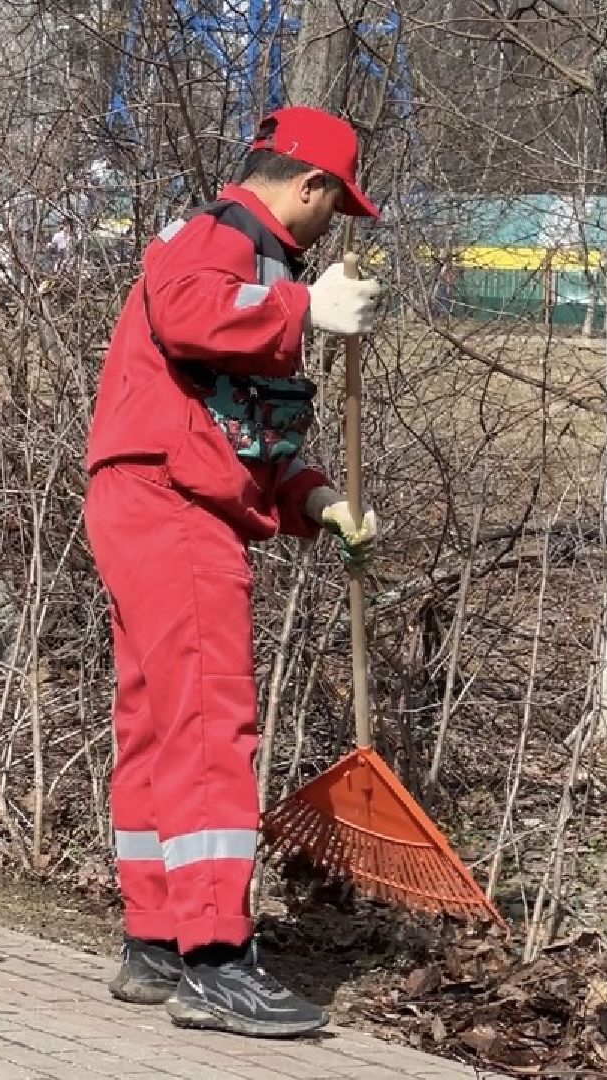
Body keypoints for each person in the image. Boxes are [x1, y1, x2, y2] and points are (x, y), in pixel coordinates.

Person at [82, 105, 385, 1039]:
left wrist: (319, 498)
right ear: (310, 187)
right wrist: (304, 309)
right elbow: (185, 316)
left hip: (160, 498)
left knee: (158, 724)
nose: (334, 225)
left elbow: (248, 434)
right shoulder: (213, 241)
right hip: (173, 508)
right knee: (212, 723)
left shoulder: (253, 267)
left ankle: (157, 944)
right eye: (336, 205)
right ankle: (216, 962)